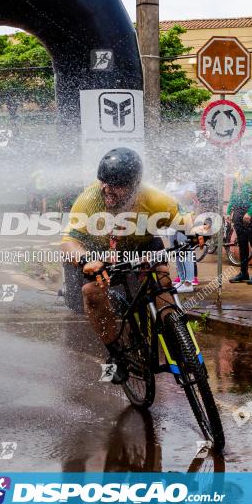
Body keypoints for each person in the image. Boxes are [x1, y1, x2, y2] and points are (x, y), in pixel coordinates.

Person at [62, 148, 184, 384]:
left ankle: (177, 340)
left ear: (134, 185)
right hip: (102, 253)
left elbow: (186, 218)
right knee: (91, 293)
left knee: (162, 281)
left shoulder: (153, 198)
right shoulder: (89, 200)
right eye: (105, 182)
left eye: (117, 185)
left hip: (143, 246)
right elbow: (69, 241)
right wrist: (87, 260)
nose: (108, 189)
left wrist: (199, 230)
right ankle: (116, 354)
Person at [227, 166, 252, 284]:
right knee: (242, 243)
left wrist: (250, 212)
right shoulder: (238, 172)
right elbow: (234, 192)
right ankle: (244, 273)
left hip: (250, 212)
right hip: (238, 211)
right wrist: (229, 210)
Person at [164, 175, 201, 292]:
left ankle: (188, 283)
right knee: (176, 251)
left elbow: (186, 199)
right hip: (171, 220)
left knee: (185, 250)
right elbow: (165, 200)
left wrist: (172, 196)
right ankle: (181, 280)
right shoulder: (169, 185)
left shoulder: (190, 184)